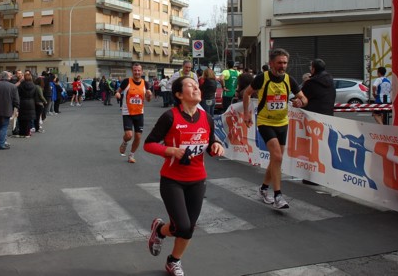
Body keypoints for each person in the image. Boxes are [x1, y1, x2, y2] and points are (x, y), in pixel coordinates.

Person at [144, 76, 225, 276]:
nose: (196, 87)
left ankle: (173, 260)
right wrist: (169, 151)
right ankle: (162, 230)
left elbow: (211, 144)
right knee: (183, 225)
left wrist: (216, 146)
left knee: (187, 228)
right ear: (179, 95)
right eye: (190, 85)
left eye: (197, 85)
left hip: (198, 180)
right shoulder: (170, 117)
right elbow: (149, 144)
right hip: (173, 180)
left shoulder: (206, 117)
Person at [242, 48, 308, 209]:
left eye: (285, 63)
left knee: (276, 160)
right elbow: (246, 93)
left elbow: (304, 98)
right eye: (279, 63)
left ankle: (263, 188)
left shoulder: (289, 80)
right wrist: (247, 113)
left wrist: (301, 102)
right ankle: (278, 196)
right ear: (271, 63)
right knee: (277, 156)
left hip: (282, 123)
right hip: (265, 122)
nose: (282, 66)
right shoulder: (262, 78)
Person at [115, 63, 152, 163]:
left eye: (139, 70)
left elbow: (148, 100)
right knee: (129, 135)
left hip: (139, 113)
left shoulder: (146, 84)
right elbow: (118, 91)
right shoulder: (127, 81)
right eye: (135, 70)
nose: (137, 72)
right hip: (127, 112)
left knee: (138, 136)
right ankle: (124, 142)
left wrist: (149, 95)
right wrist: (118, 94)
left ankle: (131, 155)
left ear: (142, 71)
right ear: (132, 71)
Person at [0, 71, 20, 150]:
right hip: (7, 108)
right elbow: (16, 99)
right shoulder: (12, 86)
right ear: (7, 77)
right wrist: (16, 107)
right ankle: (1, 144)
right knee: (4, 126)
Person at [16, 72, 37, 138]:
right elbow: (35, 96)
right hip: (31, 102)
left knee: (21, 118)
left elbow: (18, 94)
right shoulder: (34, 86)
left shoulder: (21, 85)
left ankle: (21, 132)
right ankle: (27, 133)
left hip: (22, 102)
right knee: (28, 119)